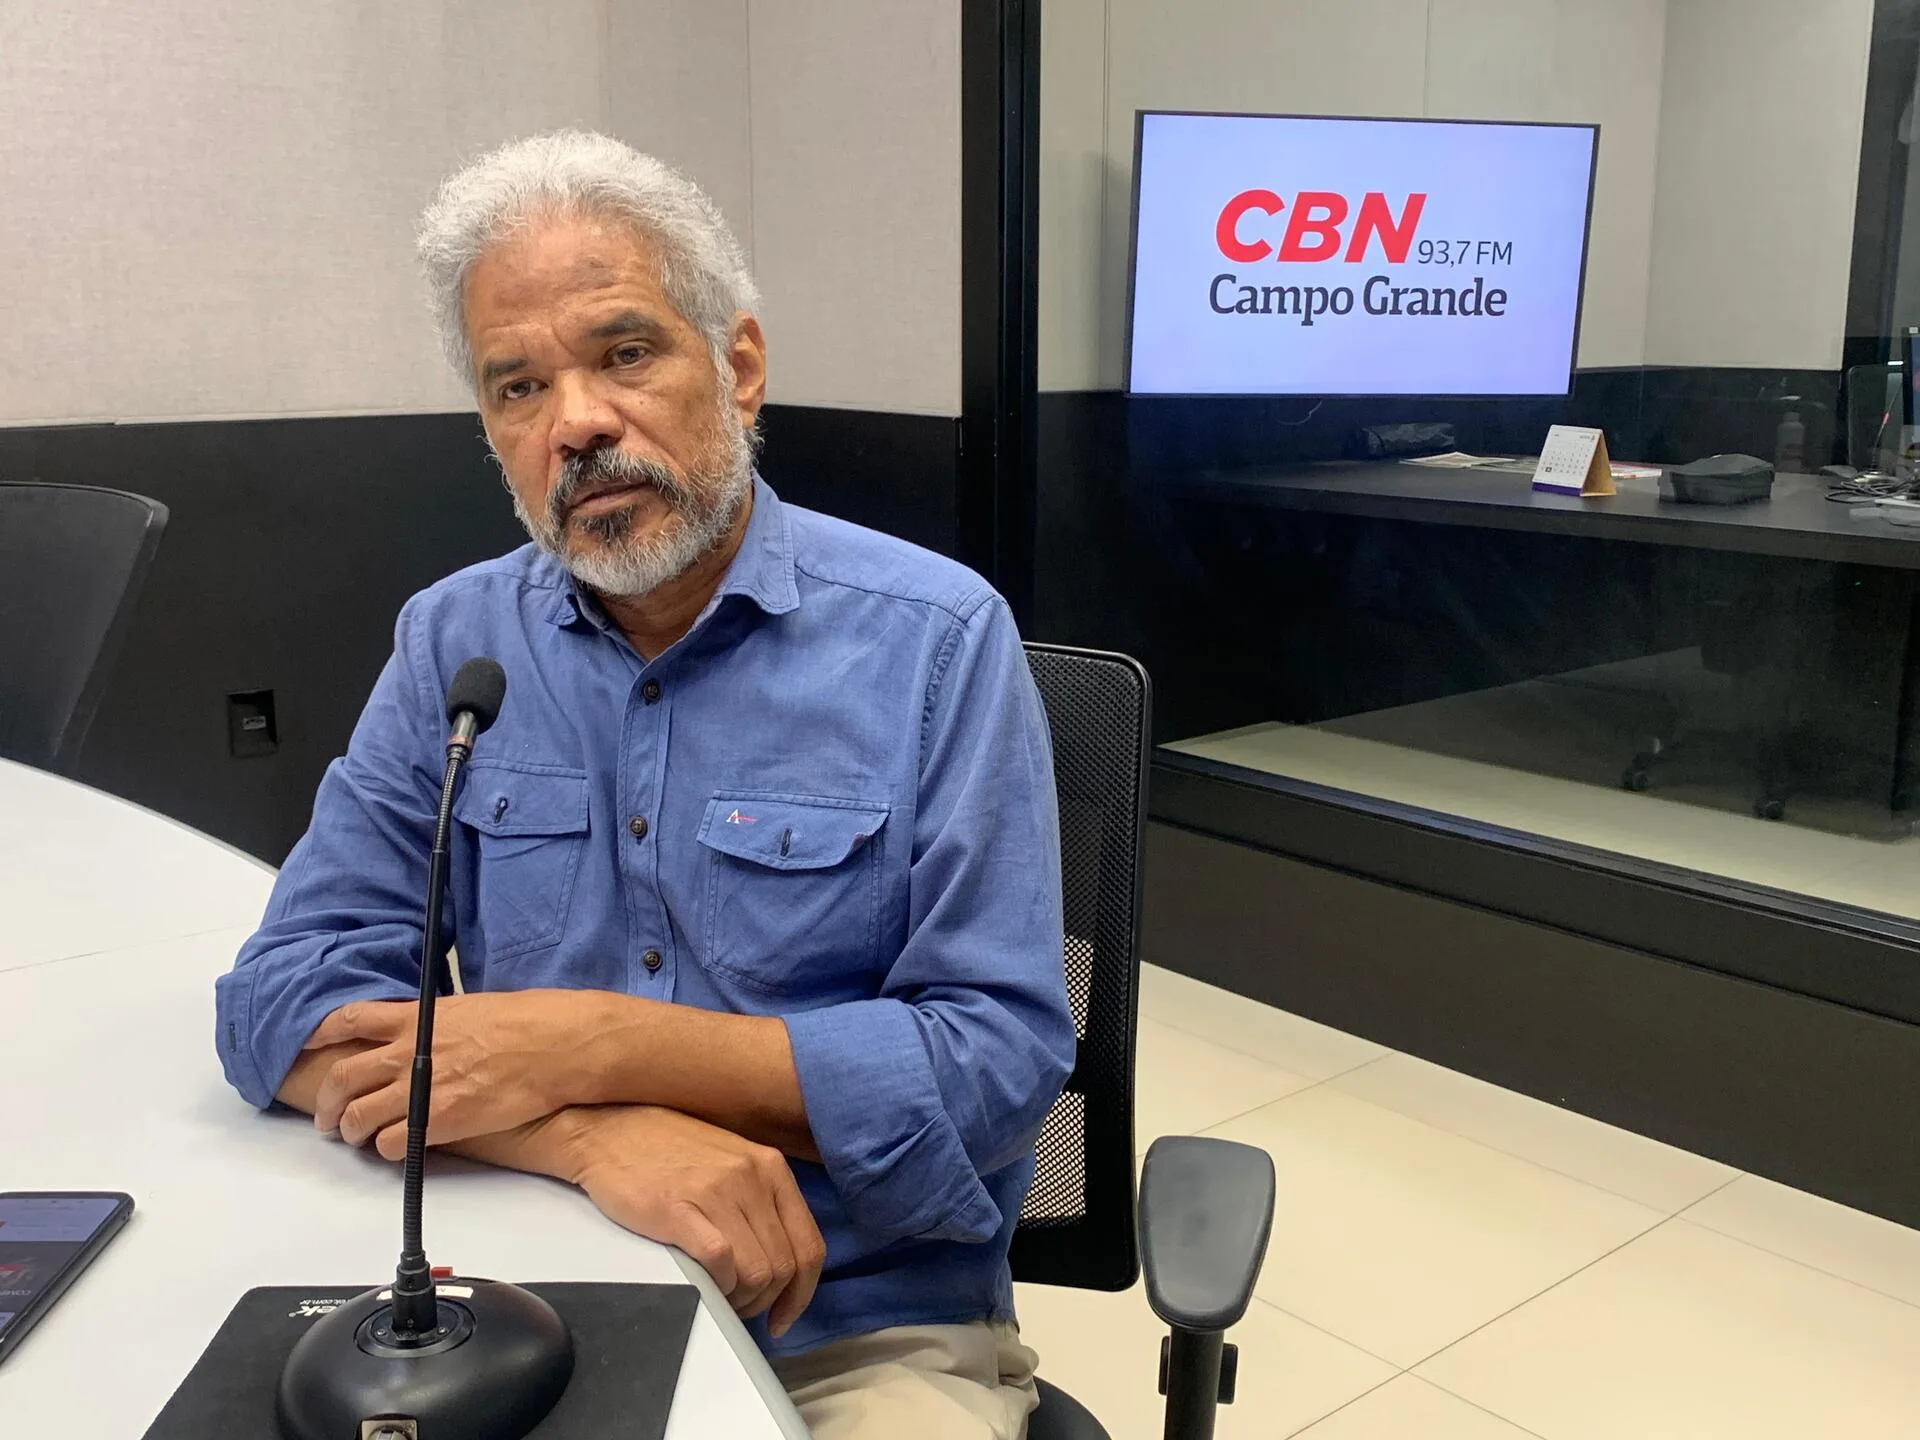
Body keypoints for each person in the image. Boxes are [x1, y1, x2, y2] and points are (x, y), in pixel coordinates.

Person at [215, 130, 1073, 1440]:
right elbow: (281, 997)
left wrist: (595, 1043)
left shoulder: (938, 640)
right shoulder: (457, 645)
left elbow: (1001, 1059)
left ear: (736, 365)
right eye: (517, 387)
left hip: (850, 1319)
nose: (577, 424)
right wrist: (586, 1137)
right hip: (526, 1271)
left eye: (624, 354)